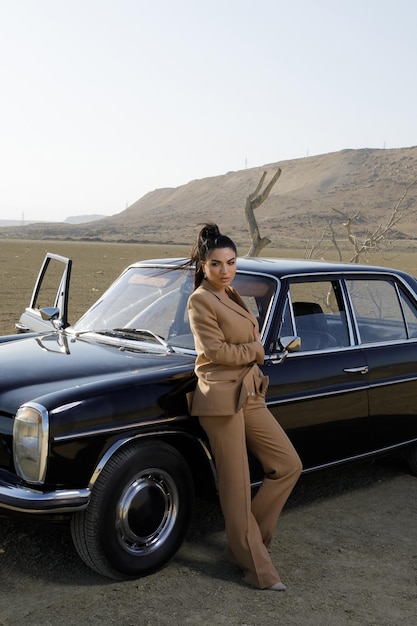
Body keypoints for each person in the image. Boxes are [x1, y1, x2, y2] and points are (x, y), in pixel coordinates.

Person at [186, 223, 302, 591]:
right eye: (217, 264)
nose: (225, 270)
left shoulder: (232, 293)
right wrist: (257, 350)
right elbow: (215, 352)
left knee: (287, 465)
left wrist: (254, 354)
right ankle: (257, 568)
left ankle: (247, 545)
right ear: (204, 266)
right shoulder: (200, 299)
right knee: (235, 487)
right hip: (220, 397)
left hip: (249, 393)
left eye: (231, 262)